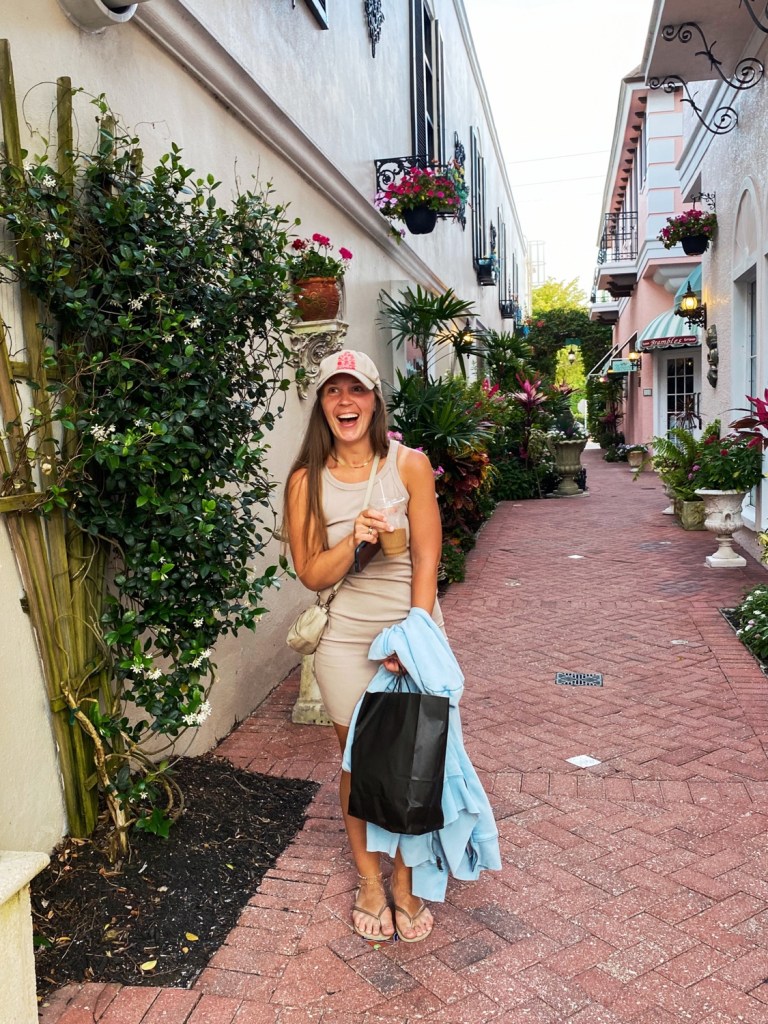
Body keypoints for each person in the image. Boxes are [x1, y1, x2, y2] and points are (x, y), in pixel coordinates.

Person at [284, 349, 443, 943]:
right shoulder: (306, 481)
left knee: (411, 759)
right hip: (346, 634)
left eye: (357, 389)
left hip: (408, 622)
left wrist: (414, 637)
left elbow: (426, 559)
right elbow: (312, 574)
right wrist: (355, 539)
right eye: (334, 390)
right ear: (321, 404)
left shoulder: (409, 466)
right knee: (357, 759)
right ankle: (370, 880)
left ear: (375, 400)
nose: (345, 401)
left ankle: (405, 881)